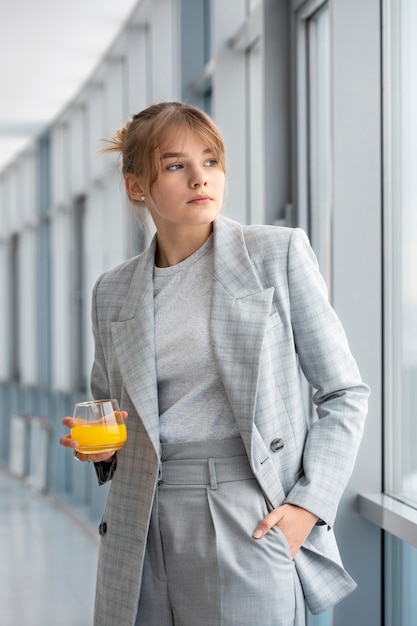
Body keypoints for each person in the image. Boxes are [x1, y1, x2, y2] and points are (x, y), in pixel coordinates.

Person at [60, 101, 369, 626]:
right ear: (138, 187)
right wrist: (101, 450)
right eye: (177, 165)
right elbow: (110, 407)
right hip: (140, 516)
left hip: (245, 512)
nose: (201, 178)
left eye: (211, 161)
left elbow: (343, 393)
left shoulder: (276, 254)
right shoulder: (112, 291)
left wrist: (307, 507)